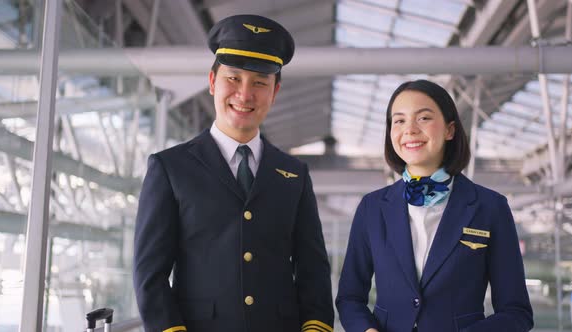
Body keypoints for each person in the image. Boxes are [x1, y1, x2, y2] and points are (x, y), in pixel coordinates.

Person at [133, 14, 334, 332]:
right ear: (212, 82)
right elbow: (150, 274)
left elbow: (313, 269)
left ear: (275, 91)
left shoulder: (294, 174)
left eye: (259, 82)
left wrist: (315, 326)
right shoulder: (170, 168)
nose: (244, 94)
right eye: (233, 78)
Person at [335, 80, 533, 332]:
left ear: (450, 130)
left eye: (424, 118)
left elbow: (516, 312)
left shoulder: (490, 207)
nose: (410, 130)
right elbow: (350, 298)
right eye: (399, 121)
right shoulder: (372, 208)